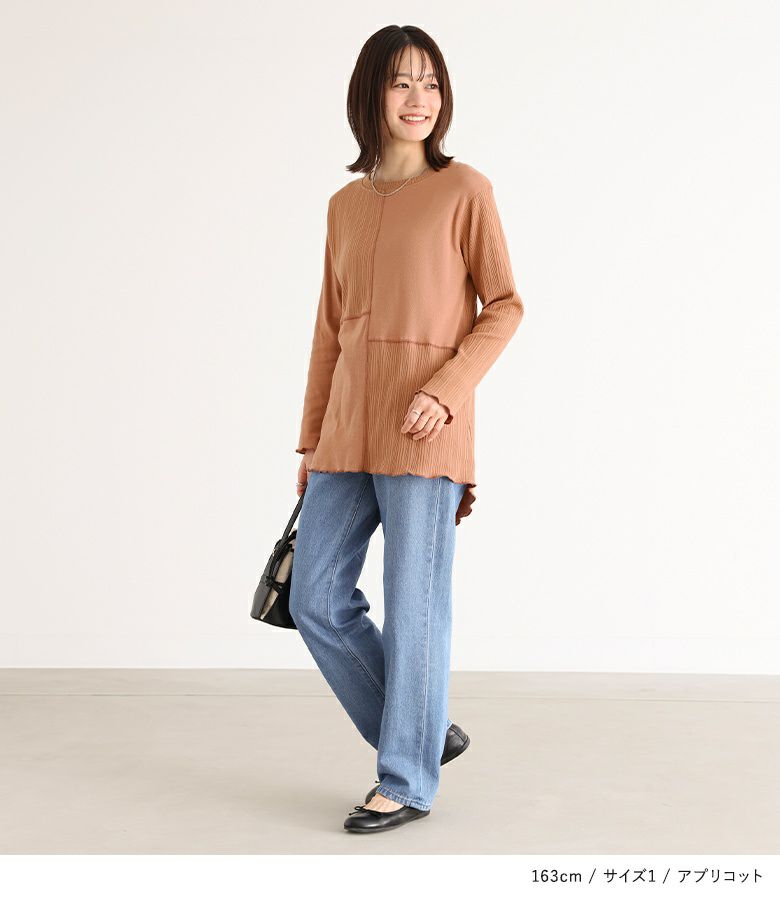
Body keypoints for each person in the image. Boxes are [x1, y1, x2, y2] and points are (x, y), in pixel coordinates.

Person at [288, 24, 524, 834]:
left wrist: (447, 390)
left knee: (414, 605)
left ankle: (407, 777)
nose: (418, 98)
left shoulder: (465, 190)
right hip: (347, 426)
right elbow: (329, 330)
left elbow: (505, 305)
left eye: (430, 82)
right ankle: (423, 728)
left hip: (425, 426)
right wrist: (311, 440)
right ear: (371, 95)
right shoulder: (344, 207)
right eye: (400, 82)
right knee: (314, 597)